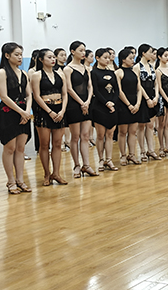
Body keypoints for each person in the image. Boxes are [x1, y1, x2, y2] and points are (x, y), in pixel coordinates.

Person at [0, 43, 33, 194]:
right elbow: (4, 97)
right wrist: (21, 112)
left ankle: (20, 180)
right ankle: (10, 181)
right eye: (16, 54)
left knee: (20, 148)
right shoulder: (2, 73)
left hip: (24, 112)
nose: (20, 57)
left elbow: (29, 95)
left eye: (21, 54)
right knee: (9, 148)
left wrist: (27, 111)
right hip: (9, 113)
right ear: (7, 55)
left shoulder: (23, 73)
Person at [31, 48, 69, 186]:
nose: (53, 59)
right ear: (41, 60)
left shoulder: (60, 74)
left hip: (59, 109)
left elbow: (64, 94)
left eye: (53, 57)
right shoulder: (37, 75)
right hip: (44, 111)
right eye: (49, 57)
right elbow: (36, 96)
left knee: (57, 143)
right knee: (45, 144)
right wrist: (49, 112)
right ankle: (47, 174)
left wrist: (62, 110)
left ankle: (56, 173)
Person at [63, 41, 98, 178]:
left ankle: (86, 165)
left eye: (84, 50)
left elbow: (90, 86)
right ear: (73, 52)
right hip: (74, 104)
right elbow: (69, 88)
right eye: (80, 50)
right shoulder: (68, 69)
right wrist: (81, 103)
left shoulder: (86, 68)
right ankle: (77, 165)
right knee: (75, 136)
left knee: (85, 136)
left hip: (87, 104)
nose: (83, 53)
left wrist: (87, 101)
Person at [91, 48, 119, 171]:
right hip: (99, 106)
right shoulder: (93, 73)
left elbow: (116, 90)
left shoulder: (112, 73)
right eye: (105, 57)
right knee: (100, 135)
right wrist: (106, 103)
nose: (108, 60)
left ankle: (109, 159)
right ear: (97, 58)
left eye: (109, 57)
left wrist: (113, 102)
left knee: (110, 134)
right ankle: (101, 160)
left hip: (112, 106)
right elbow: (95, 90)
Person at [115, 48, 145, 165]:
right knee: (123, 132)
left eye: (133, 58)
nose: (133, 60)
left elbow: (139, 89)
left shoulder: (134, 72)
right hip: (123, 105)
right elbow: (119, 91)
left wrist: (137, 104)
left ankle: (132, 154)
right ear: (123, 59)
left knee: (133, 131)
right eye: (130, 58)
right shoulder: (118, 72)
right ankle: (123, 155)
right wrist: (128, 105)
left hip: (135, 104)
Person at [136, 44, 161, 161]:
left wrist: (156, 96)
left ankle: (151, 150)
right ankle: (142, 151)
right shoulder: (137, 67)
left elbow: (156, 83)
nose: (152, 54)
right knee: (141, 126)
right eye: (150, 52)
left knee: (150, 126)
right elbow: (138, 85)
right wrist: (147, 99)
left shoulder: (151, 66)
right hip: (143, 98)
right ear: (143, 53)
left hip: (153, 97)